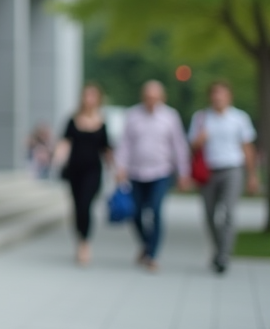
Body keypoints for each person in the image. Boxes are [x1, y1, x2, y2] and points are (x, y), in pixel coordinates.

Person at [114, 80, 191, 272]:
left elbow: (179, 145)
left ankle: (152, 255)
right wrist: (120, 167)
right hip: (136, 172)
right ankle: (147, 244)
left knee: (155, 211)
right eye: (148, 97)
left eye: (155, 97)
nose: (151, 101)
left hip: (161, 171)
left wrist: (183, 173)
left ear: (162, 98)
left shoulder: (170, 116)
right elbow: (125, 144)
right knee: (136, 212)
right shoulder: (132, 115)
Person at [188, 80, 260, 274]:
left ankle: (223, 256)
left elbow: (247, 147)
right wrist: (199, 140)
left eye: (222, 94)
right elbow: (191, 148)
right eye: (215, 94)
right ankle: (219, 248)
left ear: (229, 96)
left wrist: (252, 175)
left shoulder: (239, 118)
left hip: (232, 169)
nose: (218, 98)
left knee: (228, 213)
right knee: (210, 215)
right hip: (208, 171)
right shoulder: (201, 118)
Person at [54, 82, 111, 265]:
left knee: (86, 204)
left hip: (93, 170)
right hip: (75, 170)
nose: (89, 100)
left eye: (93, 96)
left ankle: (85, 243)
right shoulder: (72, 120)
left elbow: (107, 148)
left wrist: (118, 169)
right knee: (77, 207)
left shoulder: (102, 122)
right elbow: (65, 142)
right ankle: (79, 239)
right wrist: (57, 159)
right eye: (86, 96)